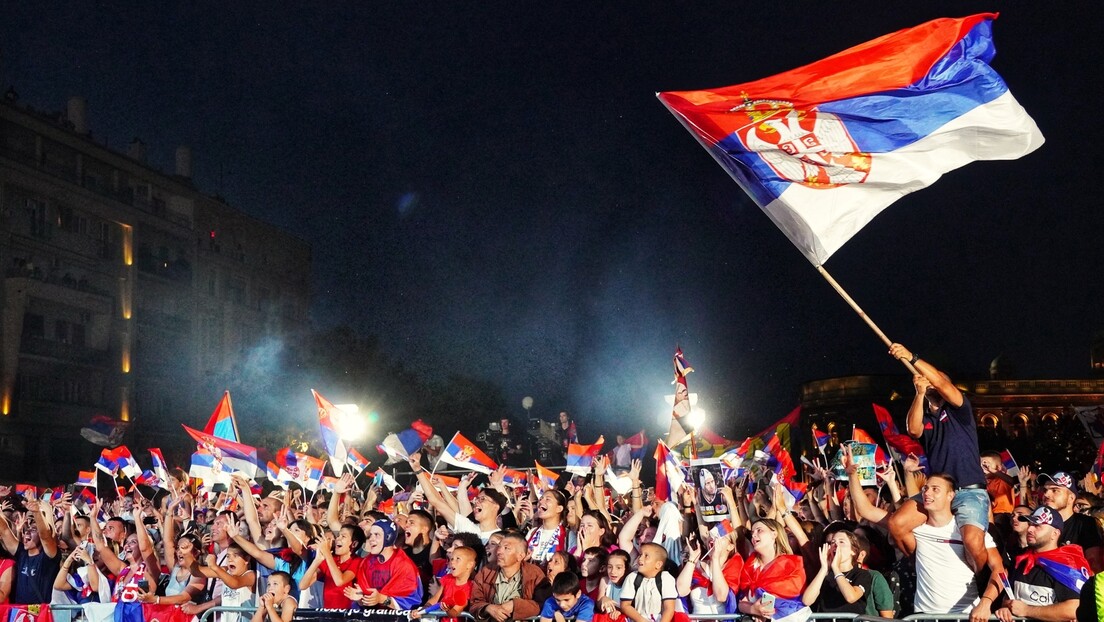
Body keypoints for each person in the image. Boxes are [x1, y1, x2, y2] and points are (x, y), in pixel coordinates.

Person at [888, 343, 990, 574]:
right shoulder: (927, 417)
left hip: (968, 490)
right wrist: (920, 393)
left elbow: (942, 383)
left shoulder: (960, 410)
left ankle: (982, 582)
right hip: (936, 491)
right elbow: (913, 430)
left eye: (931, 377)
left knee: (973, 542)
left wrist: (911, 357)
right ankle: (929, 569)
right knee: (897, 525)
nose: (928, 379)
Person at [973, 506, 1087, 622]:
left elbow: (1073, 609)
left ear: (1055, 533)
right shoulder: (1020, 559)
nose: (1030, 529)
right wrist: (1006, 608)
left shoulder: (1066, 566)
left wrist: (1027, 610)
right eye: (1030, 524)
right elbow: (1009, 597)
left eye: (1037, 526)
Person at [910, 473, 1001, 614]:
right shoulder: (917, 530)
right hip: (925, 615)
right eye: (925, 488)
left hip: (965, 615)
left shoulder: (970, 531)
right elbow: (870, 512)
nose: (927, 493)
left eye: (935, 489)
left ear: (950, 495)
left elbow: (1000, 571)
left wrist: (985, 603)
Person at [469, 530, 550, 621]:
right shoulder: (486, 572)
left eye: (506, 548)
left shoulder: (534, 574)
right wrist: (488, 608)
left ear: (520, 556)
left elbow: (543, 604)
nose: (499, 551)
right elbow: (474, 603)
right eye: (499, 547)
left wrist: (515, 605)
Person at [346, 518, 423, 610]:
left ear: (388, 537)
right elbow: (365, 604)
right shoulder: (366, 563)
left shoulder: (404, 566)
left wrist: (382, 599)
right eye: (371, 535)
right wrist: (361, 599)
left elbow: (411, 603)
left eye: (377, 535)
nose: (371, 539)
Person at [0, 494, 61, 604]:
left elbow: (45, 535)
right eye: (27, 529)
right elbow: (4, 530)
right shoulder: (21, 554)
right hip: (19, 615)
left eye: (33, 529)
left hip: (41, 615)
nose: (27, 531)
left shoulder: (49, 557)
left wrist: (37, 512)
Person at [1037, 471, 1104, 572]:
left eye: (1055, 490)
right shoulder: (1037, 523)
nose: (1046, 494)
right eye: (1045, 490)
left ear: (1071, 498)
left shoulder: (1085, 524)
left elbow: (1094, 566)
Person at [801, 530, 872, 614]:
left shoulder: (862, 574)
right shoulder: (825, 574)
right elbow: (807, 601)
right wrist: (824, 569)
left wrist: (836, 568)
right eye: (833, 542)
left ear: (853, 551)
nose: (836, 545)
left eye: (841, 542)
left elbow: (851, 597)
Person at [299, 524, 364, 608]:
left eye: (343, 536)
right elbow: (303, 585)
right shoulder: (331, 559)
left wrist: (327, 553)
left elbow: (340, 581)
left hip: (349, 614)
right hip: (328, 614)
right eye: (338, 536)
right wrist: (317, 560)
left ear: (354, 544)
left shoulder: (357, 561)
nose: (338, 539)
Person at [412, 545, 477, 622]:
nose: (452, 561)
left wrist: (448, 610)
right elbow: (435, 599)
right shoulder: (447, 578)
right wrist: (422, 611)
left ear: (469, 565)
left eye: (458, 559)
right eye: (452, 558)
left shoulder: (470, 587)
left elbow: (456, 611)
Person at [619, 542, 676, 622]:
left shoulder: (666, 579)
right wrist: (641, 620)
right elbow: (625, 605)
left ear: (658, 564)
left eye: (646, 556)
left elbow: (669, 608)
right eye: (640, 555)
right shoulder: (632, 578)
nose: (640, 559)